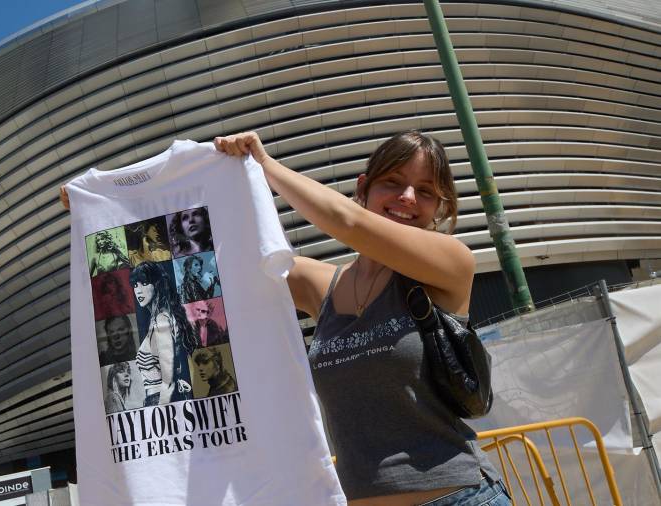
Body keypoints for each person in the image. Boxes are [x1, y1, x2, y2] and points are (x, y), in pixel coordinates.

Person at [214, 130, 510, 506]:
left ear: (439, 207)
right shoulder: (319, 284)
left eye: (425, 191)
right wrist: (220, 173)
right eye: (394, 182)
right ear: (363, 187)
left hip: (460, 497)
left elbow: (348, 222)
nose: (407, 198)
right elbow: (224, 273)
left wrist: (264, 164)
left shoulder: (450, 263)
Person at [130, 261, 198, 406]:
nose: (138, 290)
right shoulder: (158, 318)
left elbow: (168, 380)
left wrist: (161, 413)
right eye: (135, 285)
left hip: (161, 401)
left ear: (157, 284)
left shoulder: (162, 319)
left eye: (144, 283)